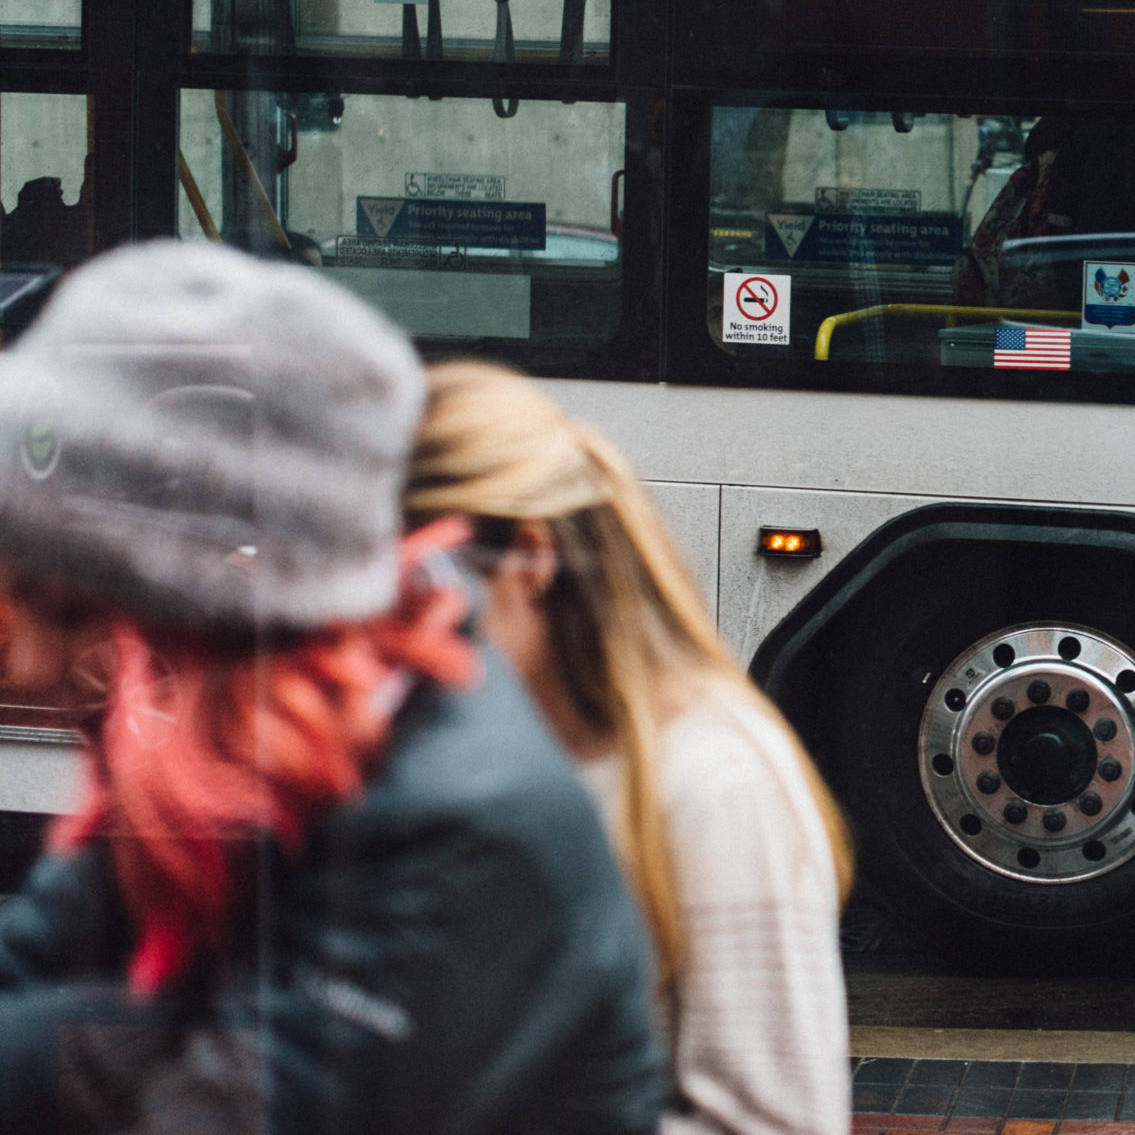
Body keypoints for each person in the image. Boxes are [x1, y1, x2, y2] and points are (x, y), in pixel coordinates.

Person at [0, 241, 665, 1134]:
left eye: (61, 603)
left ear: (192, 611)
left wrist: (48, 1047)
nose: (29, 666)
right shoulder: (247, 743)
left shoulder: (468, 816)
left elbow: (231, 1110)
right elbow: (49, 939)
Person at [404, 362, 854, 1135]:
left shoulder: (716, 781)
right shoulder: (469, 745)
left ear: (532, 558)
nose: (398, 646)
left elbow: (776, 1121)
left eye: (423, 595)